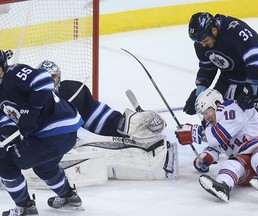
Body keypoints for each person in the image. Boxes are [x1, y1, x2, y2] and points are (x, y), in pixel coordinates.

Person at [37, 60, 178, 180]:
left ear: (59, 78)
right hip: (47, 147)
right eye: (45, 77)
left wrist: (123, 124)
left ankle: (158, 153)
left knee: (95, 146)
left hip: (72, 143)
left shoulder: (71, 91)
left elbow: (94, 114)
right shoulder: (29, 100)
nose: (49, 81)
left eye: (53, 77)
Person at [0, 50, 84, 215]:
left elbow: (44, 80)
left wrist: (30, 111)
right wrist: (5, 140)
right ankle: (69, 197)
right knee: (45, 166)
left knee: (4, 164)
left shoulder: (13, 74)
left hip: (53, 132)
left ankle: (25, 207)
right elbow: (6, 121)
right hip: (64, 132)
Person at [183, 12, 258, 144]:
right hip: (231, 76)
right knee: (213, 111)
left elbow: (257, 59)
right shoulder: (201, 43)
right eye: (200, 42)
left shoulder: (236, 31)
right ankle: (222, 147)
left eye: (205, 41)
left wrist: (251, 89)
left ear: (214, 30)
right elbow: (207, 67)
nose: (203, 45)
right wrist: (199, 92)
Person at [176, 88, 258, 203]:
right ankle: (223, 186)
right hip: (251, 163)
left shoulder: (233, 108)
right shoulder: (212, 126)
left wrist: (194, 133)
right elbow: (216, 145)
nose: (205, 118)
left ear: (216, 104)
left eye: (206, 112)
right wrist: (206, 157)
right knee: (231, 163)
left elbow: (219, 135)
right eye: (202, 114)